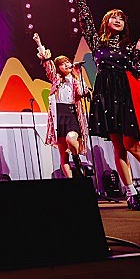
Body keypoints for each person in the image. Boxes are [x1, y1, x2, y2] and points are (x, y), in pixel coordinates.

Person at [69, 0, 140, 210]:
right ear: (106, 22)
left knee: (132, 145)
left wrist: (138, 51)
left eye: (121, 18)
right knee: (119, 147)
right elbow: (86, 22)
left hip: (126, 96)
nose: (117, 20)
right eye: (113, 17)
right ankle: (131, 193)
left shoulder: (129, 48)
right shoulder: (97, 43)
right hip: (106, 95)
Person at [33, 32, 91, 178]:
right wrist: (39, 44)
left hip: (72, 114)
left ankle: (76, 158)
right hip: (59, 115)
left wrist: (78, 73)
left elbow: (82, 92)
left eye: (68, 62)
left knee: (71, 138)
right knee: (63, 154)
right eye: (63, 63)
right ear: (58, 68)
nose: (67, 64)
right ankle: (71, 182)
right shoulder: (56, 79)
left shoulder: (75, 80)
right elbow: (48, 63)